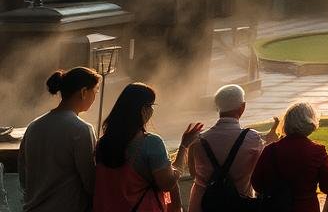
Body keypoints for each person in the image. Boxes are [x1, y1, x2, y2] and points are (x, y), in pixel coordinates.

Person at [93, 83, 201, 212]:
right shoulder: (151, 143)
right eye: (151, 105)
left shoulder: (102, 143)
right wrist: (184, 146)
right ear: (143, 109)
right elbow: (167, 183)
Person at [18, 67, 100, 212]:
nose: (95, 97)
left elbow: (23, 177)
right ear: (83, 92)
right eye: (95, 91)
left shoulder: (33, 126)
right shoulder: (81, 129)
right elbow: (90, 183)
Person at [186, 85, 271, 212]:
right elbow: (261, 172)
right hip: (239, 203)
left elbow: (193, 173)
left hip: (202, 204)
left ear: (217, 107)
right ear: (242, 107)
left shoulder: (198, 140)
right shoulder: (252, 139)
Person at [252, 102, 328, 212]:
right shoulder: (317, 151)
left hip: (275, 206)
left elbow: (257, 183)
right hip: (306, 207)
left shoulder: (271, 150)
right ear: (310, 124)